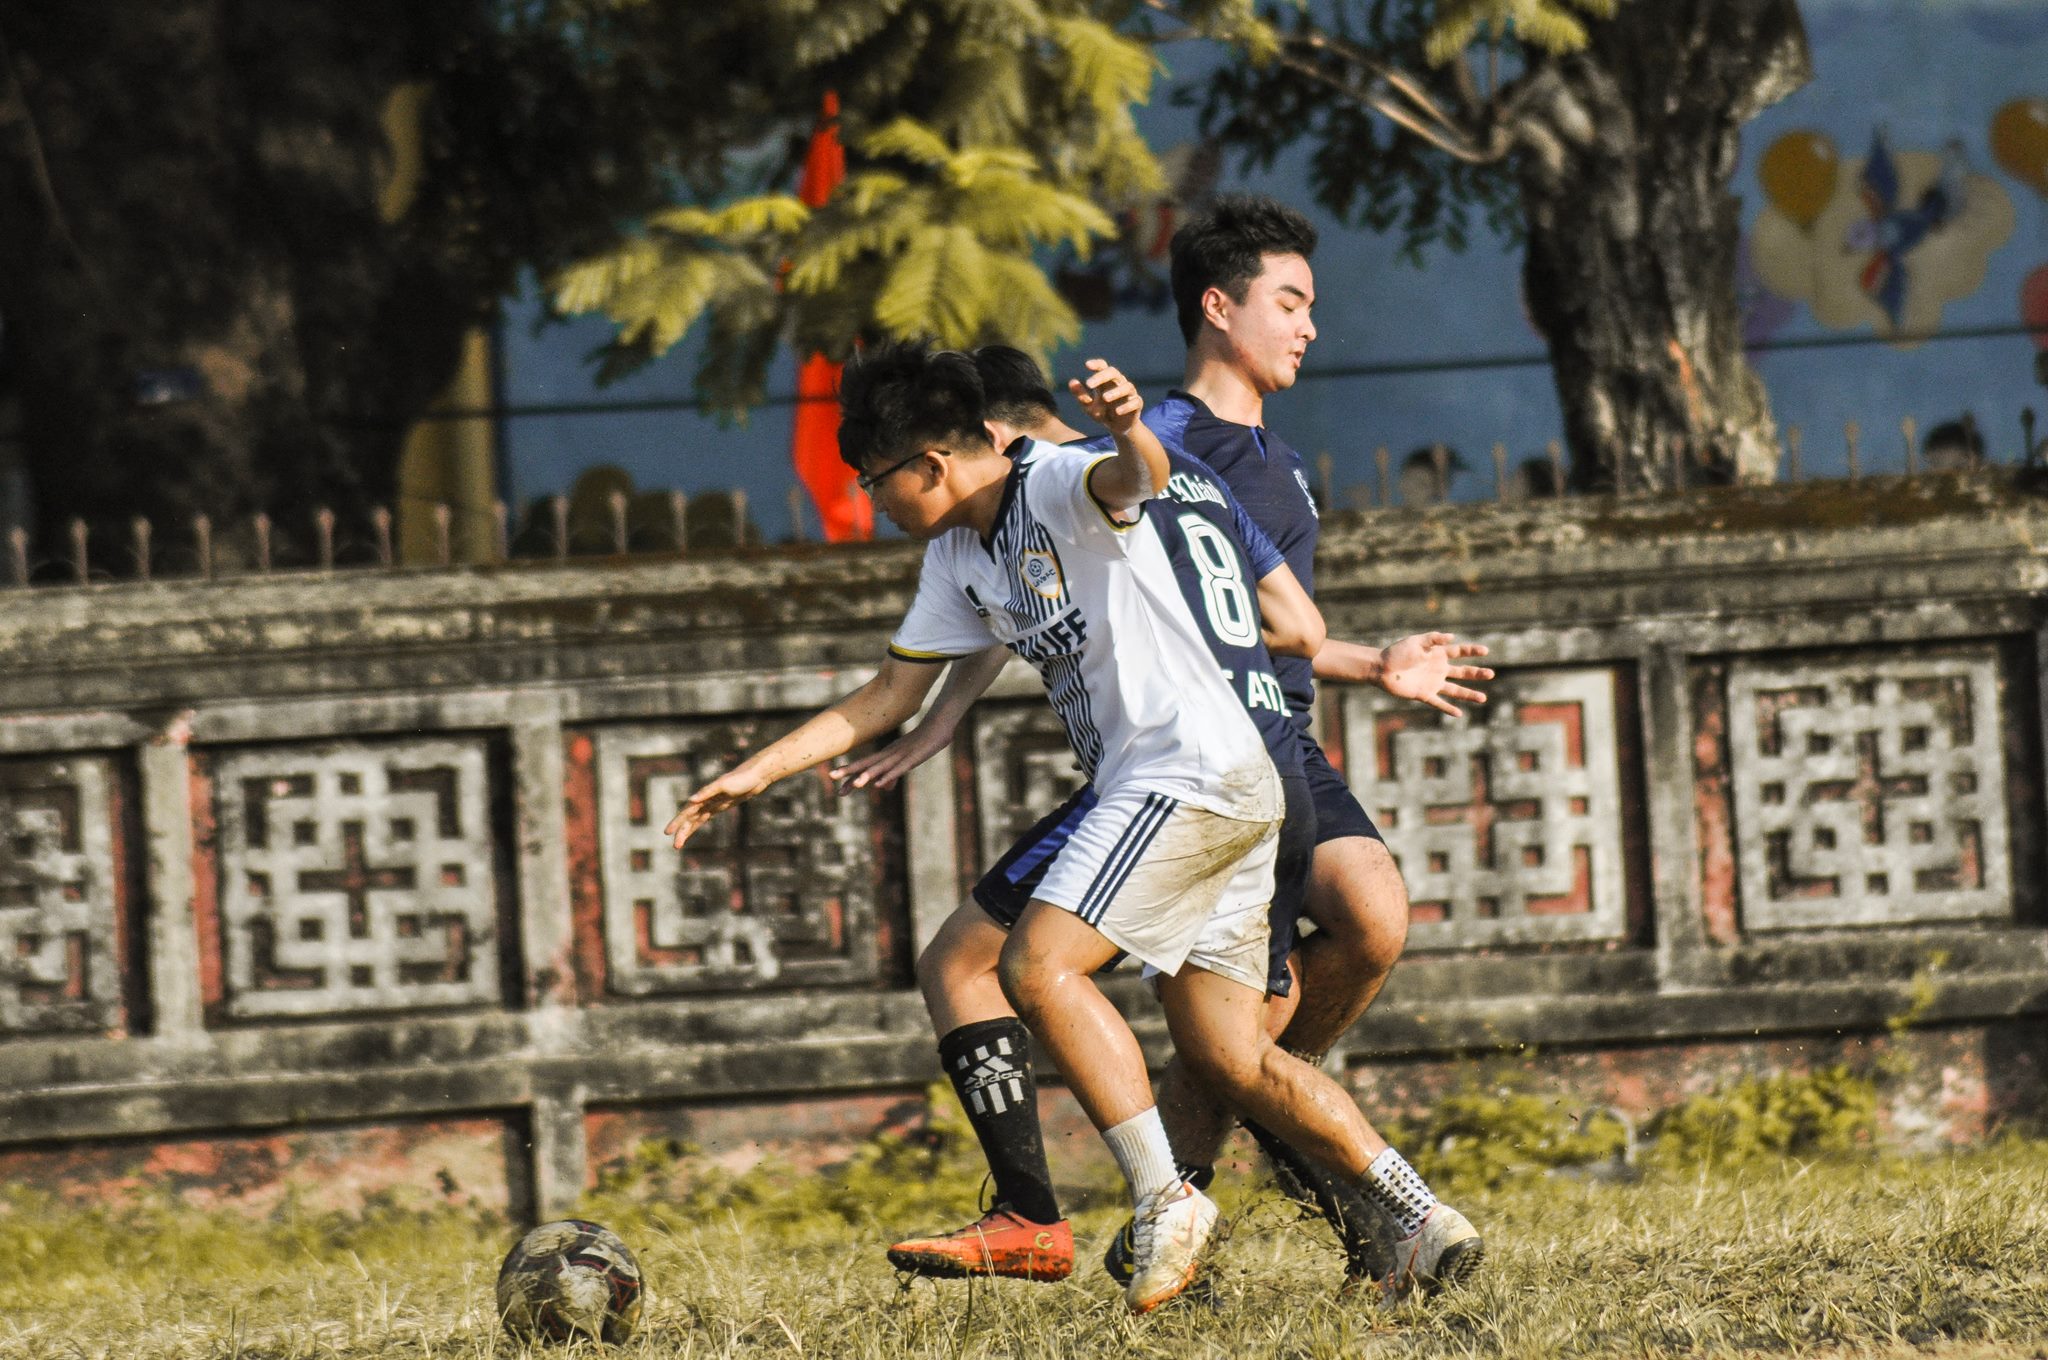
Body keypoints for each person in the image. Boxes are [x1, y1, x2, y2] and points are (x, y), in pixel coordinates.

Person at [670, 339, 1483, 1312]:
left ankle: (1164, 1198)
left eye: (872, 479)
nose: (868, 500)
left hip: (1185, 770)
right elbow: (889, 691)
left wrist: (1129, 423)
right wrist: (749, 774)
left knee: (1033, 966)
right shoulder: (955, 553)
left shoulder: (1057, 480)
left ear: (928, 463)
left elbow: (1135, 476)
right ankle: (1418, 1213)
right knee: (1230, 1058)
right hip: (1221, 788)